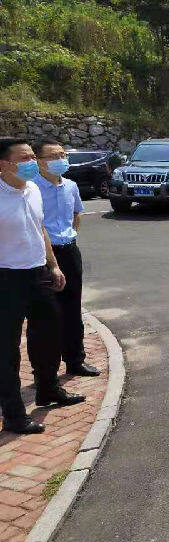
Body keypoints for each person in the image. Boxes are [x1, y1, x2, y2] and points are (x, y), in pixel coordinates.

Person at [0, 138, 85, 435]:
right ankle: (13, 414)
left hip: (39, 274)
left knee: (48, 334)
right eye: (24, 158)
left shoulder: (33, 189)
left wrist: (53, 265)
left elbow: (41, 231)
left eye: (33, 157)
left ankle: (47, 389)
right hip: (7, 278)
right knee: (7, 349)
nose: (31, 162)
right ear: (4, 164)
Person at [33, 141, 99, 378]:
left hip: (69, 251)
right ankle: (47, 375)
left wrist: (69, 238)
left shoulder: (70, 186)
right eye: (53, 156)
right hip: (43, 257)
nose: (61, 159)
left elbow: (76, 214)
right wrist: (52, 260)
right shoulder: (32, 189)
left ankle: (75, 360)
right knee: (49, 314)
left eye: (62, 154)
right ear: (39, 161)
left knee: (73, 308)